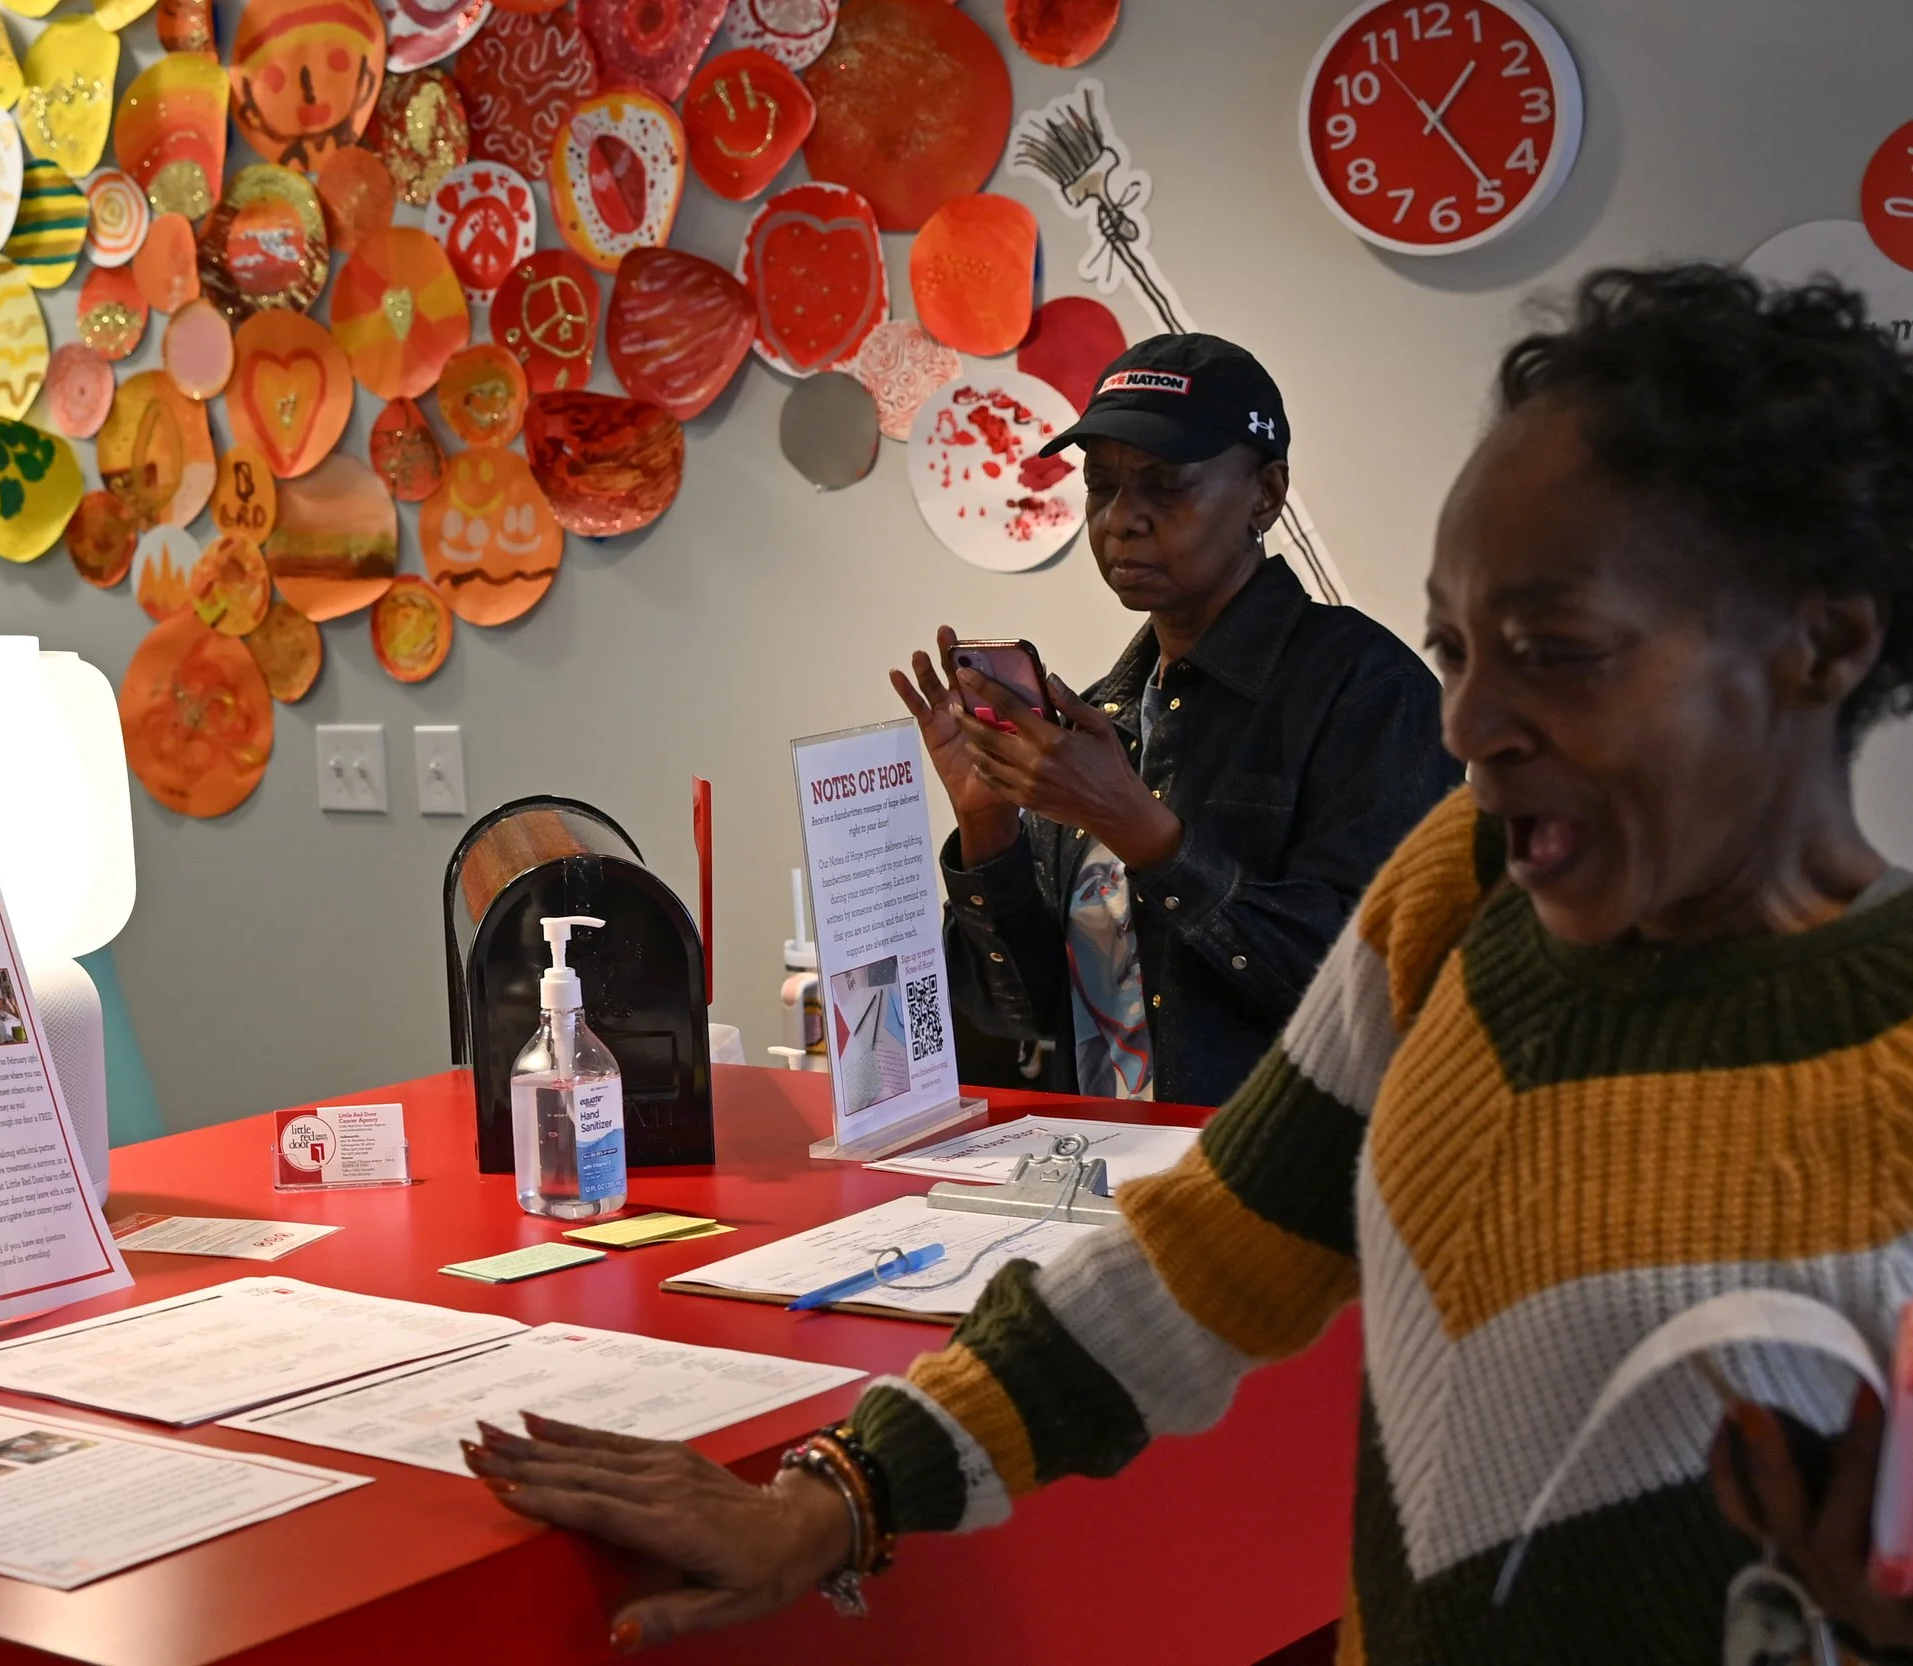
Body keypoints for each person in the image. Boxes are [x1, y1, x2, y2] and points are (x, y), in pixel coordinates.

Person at [462, 266, 1913, 1663]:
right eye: (1460, 650)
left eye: (1558, 650)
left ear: (1823, 648)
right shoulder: (1455, 894)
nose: (1471, 725)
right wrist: (837, 1495)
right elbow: (1202, 1254)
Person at [893, 333, 1455, 1109]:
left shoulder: (1370, 691)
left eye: (1166, 486)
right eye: (1102, 485)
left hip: (1267, 1178)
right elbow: (1020, 1025)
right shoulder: (1104, 714)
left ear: (1265, 495)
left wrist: (1147, 838)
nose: (1123, 518)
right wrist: (989, 831)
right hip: (1092, 1165)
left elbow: (1386, 991)